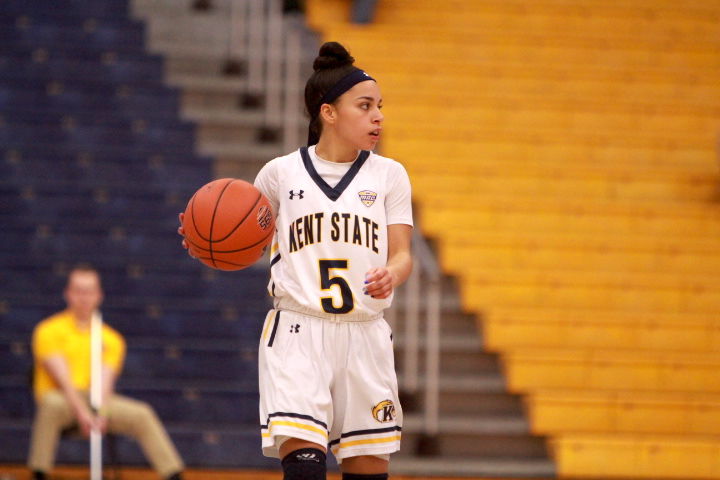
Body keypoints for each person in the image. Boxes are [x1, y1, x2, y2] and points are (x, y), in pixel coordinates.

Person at [179, 41, 413, 480]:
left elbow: (402, 256)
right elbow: (241, 233)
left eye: (380, 106)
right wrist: (201, 241)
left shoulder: (389, 175)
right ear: (328, 112)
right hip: (299, 332)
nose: (378, 115)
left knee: (368, 472)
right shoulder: (279, 174)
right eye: (365, 106)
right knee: (304, 469)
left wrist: (392, 274)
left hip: (365, 337)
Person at [28, 265, 184, 480]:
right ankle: (39, 473)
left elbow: (105, 382)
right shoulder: (48, 331)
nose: (84, 297)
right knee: (51, 404)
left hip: (96, 398)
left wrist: (101, 413)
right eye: (78, 291)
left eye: (89, 291)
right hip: (63, 399)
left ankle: (173, 474)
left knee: (142, 413)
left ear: (99, 295)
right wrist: (83, 413)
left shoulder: (111, 339)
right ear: (68, 294)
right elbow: (62, 380)